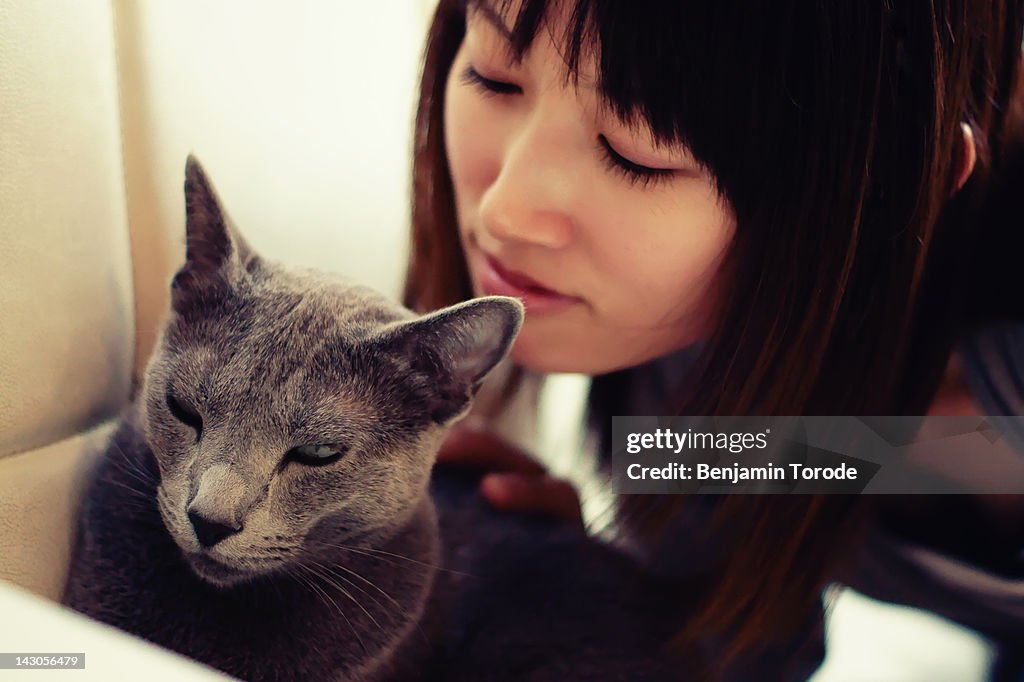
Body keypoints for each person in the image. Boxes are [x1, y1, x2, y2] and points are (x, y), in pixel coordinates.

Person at [402, 0, 1024, 678]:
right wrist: (603, 604)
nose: (506, 211)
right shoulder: (688, 381)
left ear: (891, 183)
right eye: (494, 78)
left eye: (636, 152)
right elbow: (747, 646)